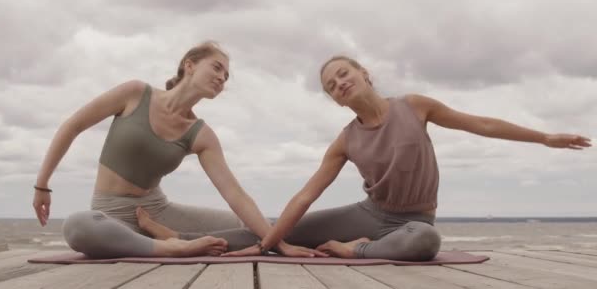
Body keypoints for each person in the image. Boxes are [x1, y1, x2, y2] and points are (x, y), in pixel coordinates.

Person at [140, 55, 591, 261]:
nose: (340, 84)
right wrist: (271, 243)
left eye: (344, 74)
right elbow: (305, 195)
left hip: (414, 221)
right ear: (335, 100)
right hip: (369, 213)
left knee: (425, 245)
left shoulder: (415, 106)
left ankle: (353, 251)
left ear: (363, 74)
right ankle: (178, 238)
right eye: (332, 85)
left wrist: (546, 138)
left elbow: (484, 125)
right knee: (273, 229)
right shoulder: (344, 139)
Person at [32, 42, 323, 259]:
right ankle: (172, 247)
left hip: (159, 213)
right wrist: (42, 184)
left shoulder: (201, 134)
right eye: (217, 67)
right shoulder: (135, 93)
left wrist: (278, 245)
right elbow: (72, 126)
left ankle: (171, 239)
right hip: (110, 215)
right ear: (190, 64)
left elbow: (234, 194)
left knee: (257, 231)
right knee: (77, 226)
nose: (222, 78)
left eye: (227, 76)